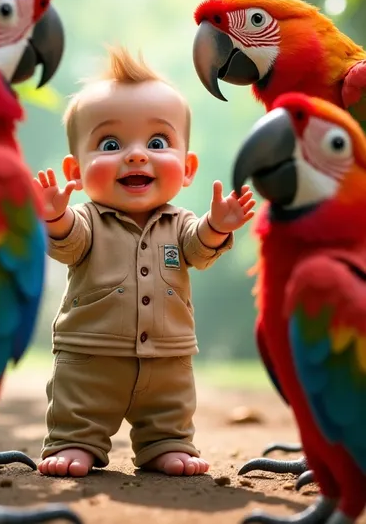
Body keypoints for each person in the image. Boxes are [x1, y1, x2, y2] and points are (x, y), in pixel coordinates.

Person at [34, 46, 255, 478]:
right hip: (90, 354)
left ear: (187, 167)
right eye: (110, 144)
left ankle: (165, 441)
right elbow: (69, 244)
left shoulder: (181, 222)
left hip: (167, 356)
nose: (136, 156)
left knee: (169, 407)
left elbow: (197, 249)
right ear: (75, 170)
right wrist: (55, 217)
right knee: (79, 404)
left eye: (157, 142)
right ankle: (74, 440)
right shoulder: (88, 220)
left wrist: (217, 224)